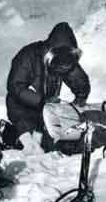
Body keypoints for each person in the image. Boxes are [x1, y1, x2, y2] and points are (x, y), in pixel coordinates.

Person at [5, 22, 90, 154]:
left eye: (65, 65)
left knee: (51, 141)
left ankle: (38, 142)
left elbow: (79, 80)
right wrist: (40, 100)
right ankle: (25, 141)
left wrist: (81, 97)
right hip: (24, 105)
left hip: (47, 109)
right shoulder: (28, 55)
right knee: (19, 110)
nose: (62, 68)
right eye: (59, 64)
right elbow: (15, 86)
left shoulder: (67, 58)